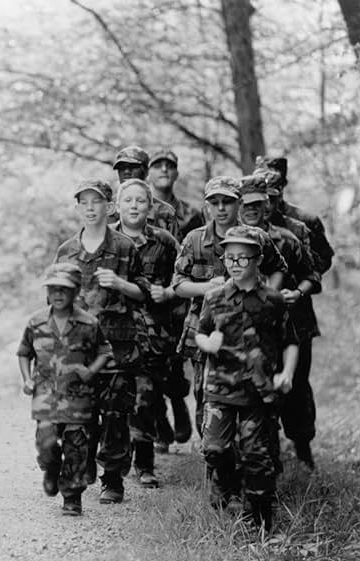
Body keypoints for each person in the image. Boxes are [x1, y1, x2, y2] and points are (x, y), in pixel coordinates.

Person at [195, 225, 298, 532]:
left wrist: (287, 373)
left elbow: (290, 341)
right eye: (229, 258)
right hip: (220, 388)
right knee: (214, 449)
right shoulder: (214, 297)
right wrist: (207, 343)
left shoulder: (273, 300)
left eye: (243, 258)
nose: (235, 264)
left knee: (258, 457)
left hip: (259, 392)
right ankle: (227, 489)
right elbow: (200, 332)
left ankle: (261, 522)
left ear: (258, 259)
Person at [53, 179, 150, 504]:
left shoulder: (124, 247)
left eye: (97, 202)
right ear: (78, 207)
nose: (91, 208)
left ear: (110, 207)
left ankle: (112, 479)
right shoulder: (66, 251)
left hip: (117, 348)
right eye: (85, 202)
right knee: (79, 418)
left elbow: (143, 293)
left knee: (114, 417)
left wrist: (121, 283)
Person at [173, 176, 287, 437]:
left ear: (239, 204)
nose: (221, 208)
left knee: (256, 392)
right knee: (205, 396)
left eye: (228, 202)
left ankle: (254, 454)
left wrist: (267, 298)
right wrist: (207, 288)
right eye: (215, 202)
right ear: (207, 206)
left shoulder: (255, 236)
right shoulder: (195, 240)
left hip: (251, 332)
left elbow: (278, 268)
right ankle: (216, 463)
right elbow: (178, 284)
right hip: (205, 329)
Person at [18, 262, 114, 516]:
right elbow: (24, 353)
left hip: (78, 398)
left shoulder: (88, 323)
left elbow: (105, 351)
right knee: (46, 443)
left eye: (64, 289)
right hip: (46, 396)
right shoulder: (36, 322)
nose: (58, 295)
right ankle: (50, 468)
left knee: (77, 446)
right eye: (53, 289)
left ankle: (72, 496)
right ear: (47, 292)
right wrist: (27, 379)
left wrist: (91, 370)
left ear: (75, 292)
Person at [239, 174, 322, 470]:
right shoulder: (232, 241)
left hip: (290, 324)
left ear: (268, 205)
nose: (252, 210)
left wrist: (296, 293)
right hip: (247, 330)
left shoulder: (288, 239)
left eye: (258, 204)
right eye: (246, 204)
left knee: (294, 386)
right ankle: (265, 457)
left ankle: (302, 448)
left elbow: (312, 275)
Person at [112, 178, 179, 488]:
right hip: (112, 332)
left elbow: (181, 281)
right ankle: (110, 464)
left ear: (151, 207)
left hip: (151, 334)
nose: (134, 206)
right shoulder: (106, 239)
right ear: (117, 206)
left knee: (146, 399)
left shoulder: (164, 242)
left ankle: (145, 464)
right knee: (113, 398)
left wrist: (165, 293)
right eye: (128, 200)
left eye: (141, 201)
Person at [146, 148, 203, 451]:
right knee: (151, 366)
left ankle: (179, 403)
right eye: (158, 165)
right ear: (150, 173)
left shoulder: (192, 214)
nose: (165, 170)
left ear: (177, 173)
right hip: (148, 297)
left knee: (174, 362)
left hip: (180, 298)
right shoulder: (139, 208)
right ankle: (160, 425)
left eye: (170, 165)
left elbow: (200, 254)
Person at [257, 156, 335, 276]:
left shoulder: (306, 221)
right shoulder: (245, 219)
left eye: (276, 181)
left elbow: (323, 260)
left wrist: (299, 284)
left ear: (283, 185)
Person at [111, 145, 181, 239]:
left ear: (146, 172)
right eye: (121, 168)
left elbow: (175, 250)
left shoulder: (166, 212)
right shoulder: (106, 208)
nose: (126, 171)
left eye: (133, 166)